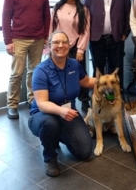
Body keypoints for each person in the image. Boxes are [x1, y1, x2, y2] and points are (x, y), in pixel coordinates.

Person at [28, 30, 95, 177]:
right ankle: (50, 157)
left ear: (69, 45)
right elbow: (42, 103)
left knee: (84, 152)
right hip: (43, 115)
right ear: (49, 45)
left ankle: (56, 135)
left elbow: (86, 81)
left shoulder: (74, 65)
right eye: (56, 42)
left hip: (67, 113)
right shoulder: (41, 71)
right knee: (50, 123)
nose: (60, 45)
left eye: (64, 42)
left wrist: (108, 82)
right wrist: (60, 111)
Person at [2, 0, 50, 120]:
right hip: (18, 39)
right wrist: (8, 41)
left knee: (35, 73)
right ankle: (12, 105)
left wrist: (45, 37)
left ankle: (32, 100)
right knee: (16, 74)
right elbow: (5, 17)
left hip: (37, 39)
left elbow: (46, 17)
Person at [83, 0, 131, 88]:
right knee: (98, 70)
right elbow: (84, 14)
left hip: (116, 38)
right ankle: (98, 99)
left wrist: (125, 33)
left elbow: (128, 15)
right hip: (96, 38)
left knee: (116, 70)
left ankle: (117, 100)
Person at [50, 0, 91, 110]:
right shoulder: (57, 7)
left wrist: (81, 50)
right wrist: (50, 46)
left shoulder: (83, 9)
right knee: (58, 74)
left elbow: (85, 30)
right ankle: (60, 100)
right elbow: (52, 28)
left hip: (75, 47)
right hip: (59, 46)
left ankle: (84, 100)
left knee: (80, 74)